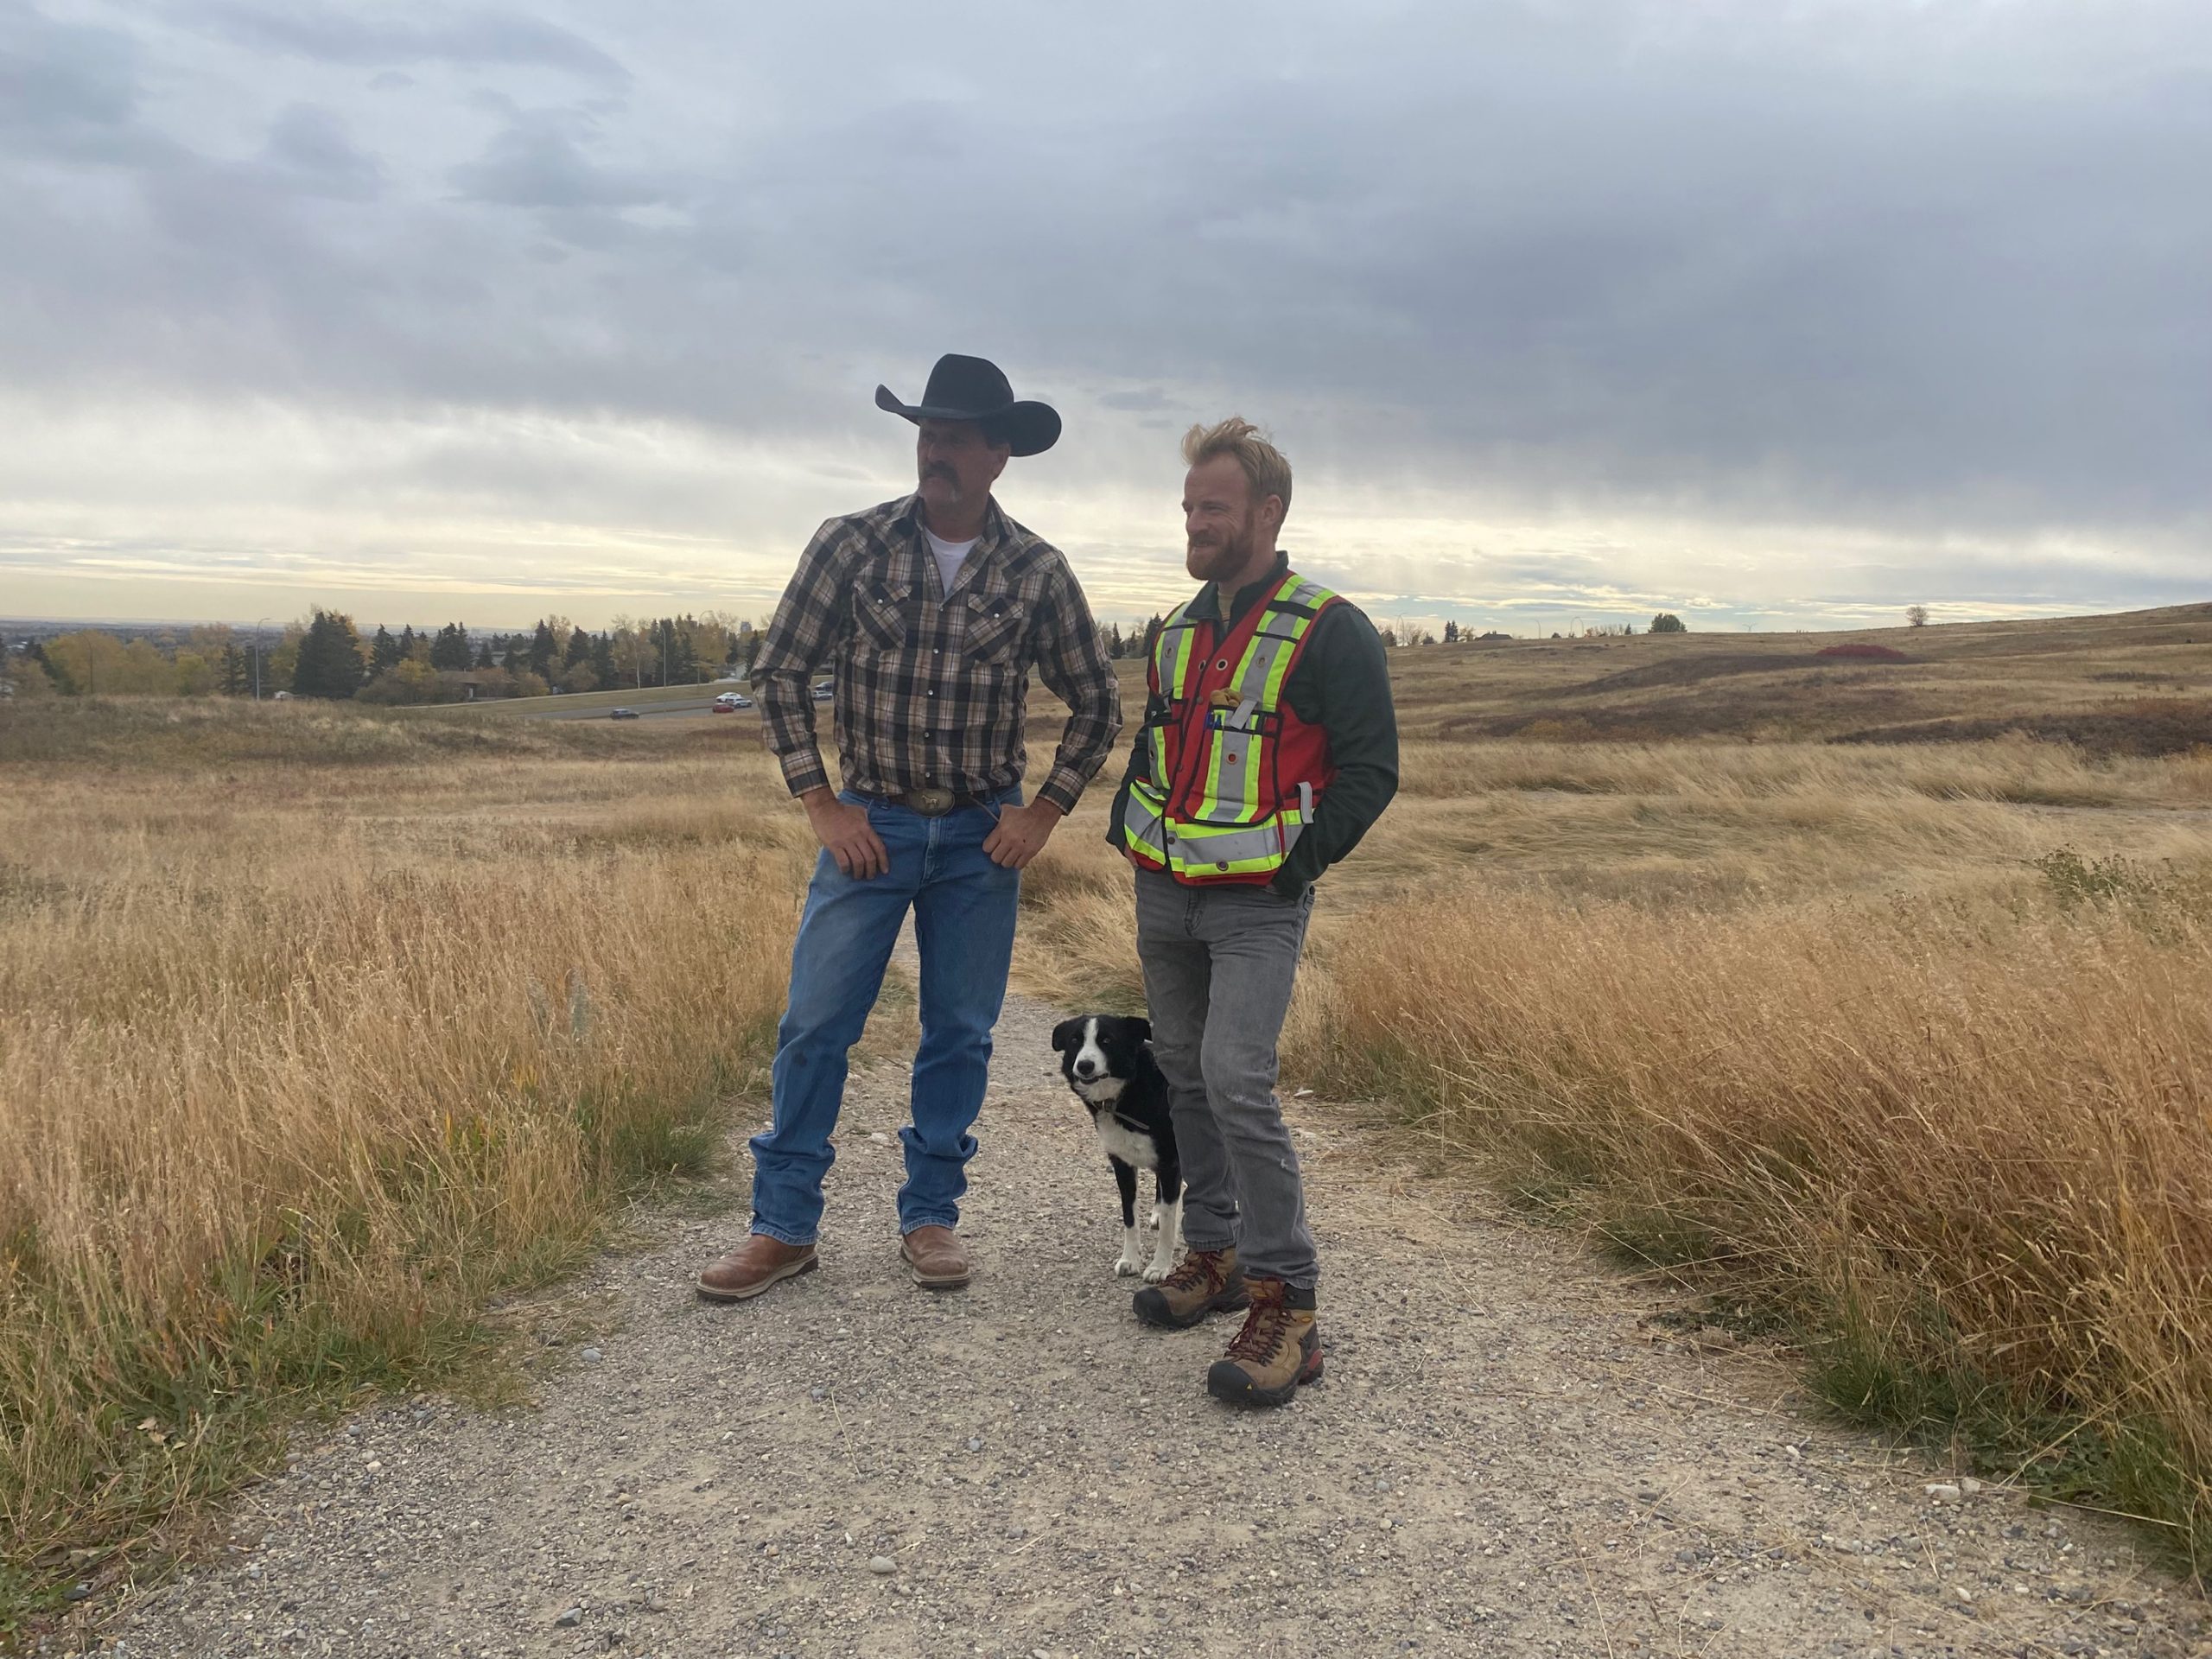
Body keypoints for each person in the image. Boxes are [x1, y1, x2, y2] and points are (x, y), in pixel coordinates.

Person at [698, 354, 1122, 1300]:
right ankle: (783, 1230)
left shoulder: (1038, 572)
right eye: (927, 436)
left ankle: (929, 1218)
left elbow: (1097, 703)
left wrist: (1043, 812)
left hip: (980, 838)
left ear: (998, 456)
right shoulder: (851, 546)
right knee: (814, 1024)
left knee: (960, 1034)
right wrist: (822, 802)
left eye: (957, 440)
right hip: (871, 828)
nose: (936, 454)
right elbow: (777, 675)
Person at [1107, 416, 1398, 1407]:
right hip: (1164, 888)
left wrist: (1296, 866)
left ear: (1266, 513)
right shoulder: (1179, 628)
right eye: (1188, 506)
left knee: (1237, 1079)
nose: (1193, 522)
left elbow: (1371, 770)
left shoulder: (1332, 629)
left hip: (1255, 905)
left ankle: (1290, 1305)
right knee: (1183, 1070)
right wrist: (1134, 832)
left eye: (1212, 507)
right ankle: (1215, 1254)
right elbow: (1160, 745)